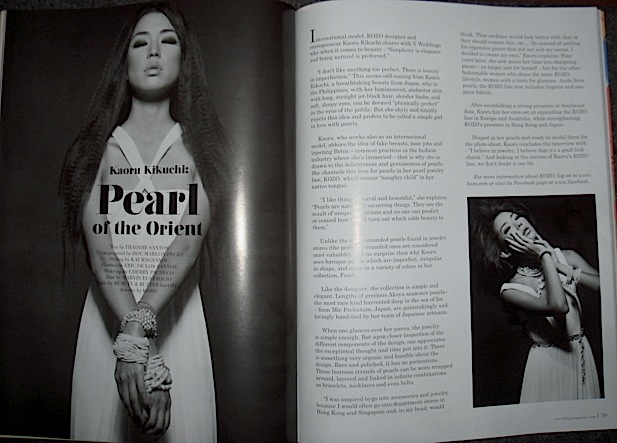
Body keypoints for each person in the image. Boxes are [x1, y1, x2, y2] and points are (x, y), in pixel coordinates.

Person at [60, 3, 229, 441]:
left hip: (176, 327)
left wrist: (136, 338)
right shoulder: (96, 152)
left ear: (183, 59)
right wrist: (139, 346)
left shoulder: (201, 153)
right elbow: (101, 253)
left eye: (167, 41)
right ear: (125, 60)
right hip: (107, 325)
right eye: (141, 43)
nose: (154, 51)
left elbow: (184, 246)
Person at [470, 200, 601, 403]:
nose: (518, 224)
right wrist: (544, 255)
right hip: (547, 366)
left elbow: (606, 287)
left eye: (516, 218)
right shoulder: (510, 290)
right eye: (508, 229)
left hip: (580, 354)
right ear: (505, 251)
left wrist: (563, 267)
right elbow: (559, 306)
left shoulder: (566, 257)